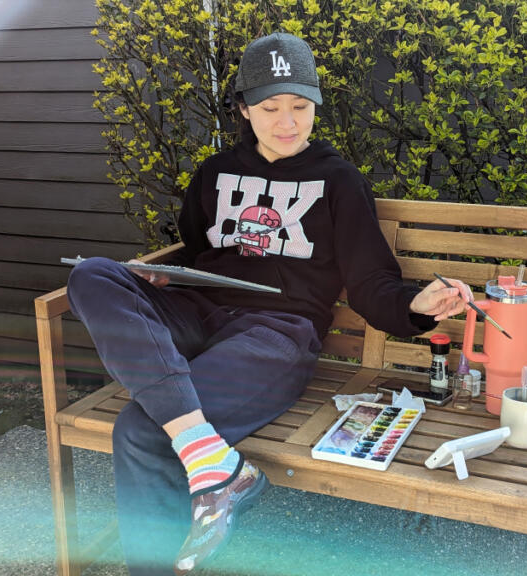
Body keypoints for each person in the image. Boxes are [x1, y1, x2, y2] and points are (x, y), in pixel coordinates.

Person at [66, 32, 473, 576]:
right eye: (270, 107)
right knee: (93, 274)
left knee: (141, 431)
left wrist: (417, 304)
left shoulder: (339, 181)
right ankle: (214, 463)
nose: (288, 122)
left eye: (300, 107)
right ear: (243, 109)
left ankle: (195, 484)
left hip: (276, 335)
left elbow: (373, 280)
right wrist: (163, 278)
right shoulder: (213, 173)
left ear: (315, 106)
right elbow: (197, 246)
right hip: (195, 313)